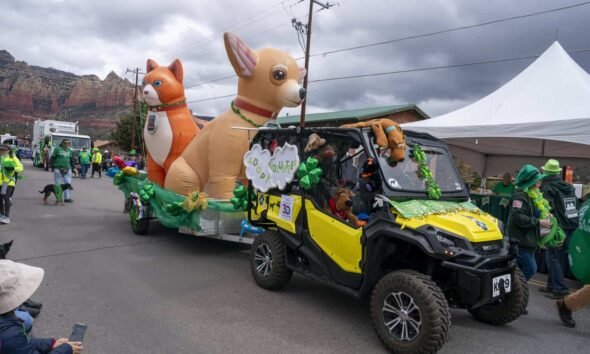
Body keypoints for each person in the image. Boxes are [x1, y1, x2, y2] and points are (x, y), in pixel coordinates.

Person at [0, 259, 83, 354]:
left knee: (26, 319)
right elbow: (14, 341)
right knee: (26, 319)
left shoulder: (6, 326)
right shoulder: (9, 334)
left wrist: (51, 344)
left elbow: (19, 344)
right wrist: (66, 350)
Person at [539, 159, 579, 299]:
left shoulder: (548, 187)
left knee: (553, 257)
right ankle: (551, 285)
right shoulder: (568, 187)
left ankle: (560, 289)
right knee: (560, 256)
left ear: (546, 173)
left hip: (559, 227)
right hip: (572, 225)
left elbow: (546, 207)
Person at [507, 164, 552, 281]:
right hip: (521, 241)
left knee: (519, 270)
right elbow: (517, 217)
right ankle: (513, 291)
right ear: (531, 182)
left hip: (530, 241)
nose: (541, 182)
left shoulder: (534, 195)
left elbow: (535, 212)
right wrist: (538, 222)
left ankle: (513, 292)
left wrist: (546, 215)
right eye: (538, 180)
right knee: (530, 269)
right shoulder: (519, 196)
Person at [0, 145, 23, 224]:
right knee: (0, 199)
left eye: (4, 150)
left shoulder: (12, 158)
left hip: (8, 182)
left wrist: (13, 168)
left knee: (6, 197)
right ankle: (2, 215)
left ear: (8, 150)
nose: (2, 151)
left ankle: (6, 216)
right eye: (1, 150)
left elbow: (20, 167)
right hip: (0, 182)